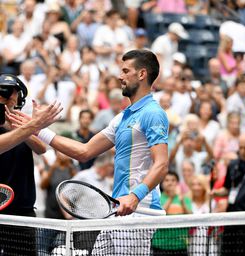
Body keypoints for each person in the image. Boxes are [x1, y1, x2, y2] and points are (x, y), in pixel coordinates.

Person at [8, 49, 169, 254]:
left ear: (141, 74)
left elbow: (162, 164)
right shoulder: (122, 118)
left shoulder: (153, 113)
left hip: (140, 211)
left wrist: (135, 197)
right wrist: (37, 129)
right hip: (119, 210)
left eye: (125, 71)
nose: (120, 76)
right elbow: (84, 151)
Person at [0, 74, 60, 256]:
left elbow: (42, 148)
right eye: (6, 90)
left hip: (22, 212)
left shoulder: (23, 121)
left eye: (14, 92)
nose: (10, 96)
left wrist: (24, 129)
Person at [211, 132, 245, 256]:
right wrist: (216, 193)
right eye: (240, 147)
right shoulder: (233, 165)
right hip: (231, 218)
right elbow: (227, 188)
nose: (242, 151)